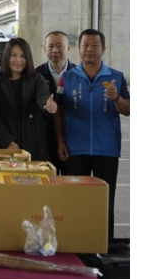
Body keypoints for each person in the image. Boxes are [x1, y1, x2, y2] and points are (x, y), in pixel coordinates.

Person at [55, 28, 129, 240]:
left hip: (106, 150)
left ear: (103, 49)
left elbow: (128, 109)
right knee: (74, 202)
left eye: (95, 45)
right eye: (85, 45)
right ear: (78, 49)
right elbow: (59, 112)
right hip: (75, 150)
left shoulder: (116, 77)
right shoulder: (66, 79)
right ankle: (74, 245)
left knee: (104, 203)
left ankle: (104, 248)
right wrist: (60, 141)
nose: (89, 49)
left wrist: (116, 99)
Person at [0, 38, 58, 161]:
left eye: (23, 56)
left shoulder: (36, 79)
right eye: (14, 55)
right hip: (5, 145)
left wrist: (48, 105)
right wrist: (8, 141)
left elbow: (43, 96)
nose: (18, 60)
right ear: (7, 56)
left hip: (33, 144)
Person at [36, 31, 76, 173]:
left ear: (68, 48)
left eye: (60, 46)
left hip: (72, 140)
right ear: (44, 48)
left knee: (70, 184)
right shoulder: (36, 75)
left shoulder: (78, 74)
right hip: (44, 140)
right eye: (51, 46)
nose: (55, 50)